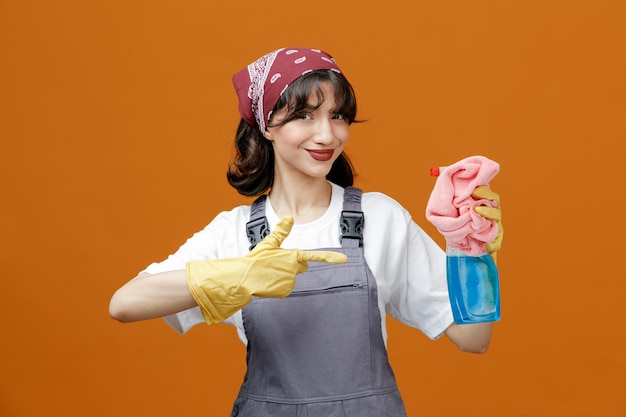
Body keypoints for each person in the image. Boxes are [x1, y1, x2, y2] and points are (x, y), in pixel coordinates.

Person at [109, 47, 503, 416]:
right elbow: (124, 304)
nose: (327, 135)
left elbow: (474, 340)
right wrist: (237, 275)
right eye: (304, 116)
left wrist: (468, 251)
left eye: (337, 116)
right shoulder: (233, 233)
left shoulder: (380, 217)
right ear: (267, 126)